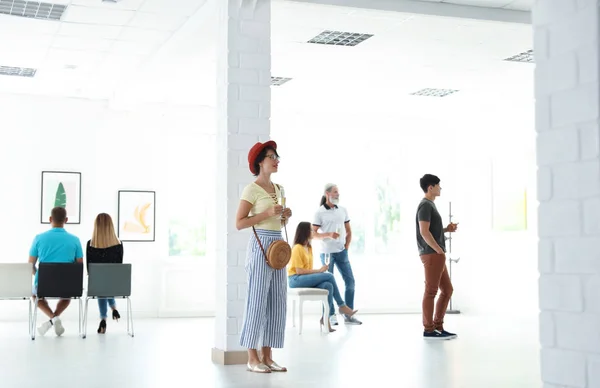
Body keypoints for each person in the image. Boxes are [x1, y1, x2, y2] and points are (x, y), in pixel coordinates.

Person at [235, 140, 293, 374]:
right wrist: (267, 213)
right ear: (260, 162)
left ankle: (268, 356)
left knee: (277, 302)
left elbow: (277, 221)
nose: (276, 160)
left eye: (277, 156)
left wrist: (284, 217)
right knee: (256, 301)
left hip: (278, 246)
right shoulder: (251, 189)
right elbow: (239, 223)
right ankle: (252, 357)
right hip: (260, 245)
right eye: (272, 156)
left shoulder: (279, 189)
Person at [288, 222, 357, 332]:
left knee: (328, 285)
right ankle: (341, 305)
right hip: (295, 279)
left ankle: (326, 319)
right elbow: (299, 270)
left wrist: (318, 272)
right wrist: (319, 271)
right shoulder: (297, 248)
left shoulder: (309, 248)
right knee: (329, 275)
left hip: (303, 278)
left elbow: (307, 270)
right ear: (305, 232)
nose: (313, 232)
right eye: (311, 230)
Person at [28, 207, 83, 337]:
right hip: (67, 286)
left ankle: (53, 318)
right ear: (66, 220)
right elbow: (79, 266)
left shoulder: (39, 238)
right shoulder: (75, 240)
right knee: (67, 296)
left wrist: (39, 276)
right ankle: (55, 318)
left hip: (43, 285)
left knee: (35, 295)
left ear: (50, 219)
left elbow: (30, 265)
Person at [312, 183, 362, 326]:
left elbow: (349, 231)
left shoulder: (343, 210)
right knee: (328, 285)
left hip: (341, 253)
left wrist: (346, 247)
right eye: (335, 192)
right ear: (327, 194)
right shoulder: (319, 212)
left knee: (350, 282)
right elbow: (312, 233)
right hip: (326, 254)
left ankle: (348, 315)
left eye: (338, 192)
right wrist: (328, 235)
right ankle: (329, 315)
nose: (337, 194)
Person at [416, 174, 458, 340]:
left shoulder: (430, 205)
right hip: (432, 254)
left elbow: (431, 230)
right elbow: (424, 232)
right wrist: (438, 250)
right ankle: (429, 329)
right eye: (438, 185)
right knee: (431, 291)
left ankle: (438, 326)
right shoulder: (425, 205)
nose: (440, 188)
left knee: (447, 290)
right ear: (430, 187)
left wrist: (446, 229)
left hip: (435, 253)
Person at [86, 213, 124, 334]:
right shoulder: (119, 245)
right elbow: (118, 269)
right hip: (114, 286)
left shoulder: (90, 245)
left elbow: (89, 270)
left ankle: (103, 318)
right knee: (108, 281)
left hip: (97, 286)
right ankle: (113, 308)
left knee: (101, 284)